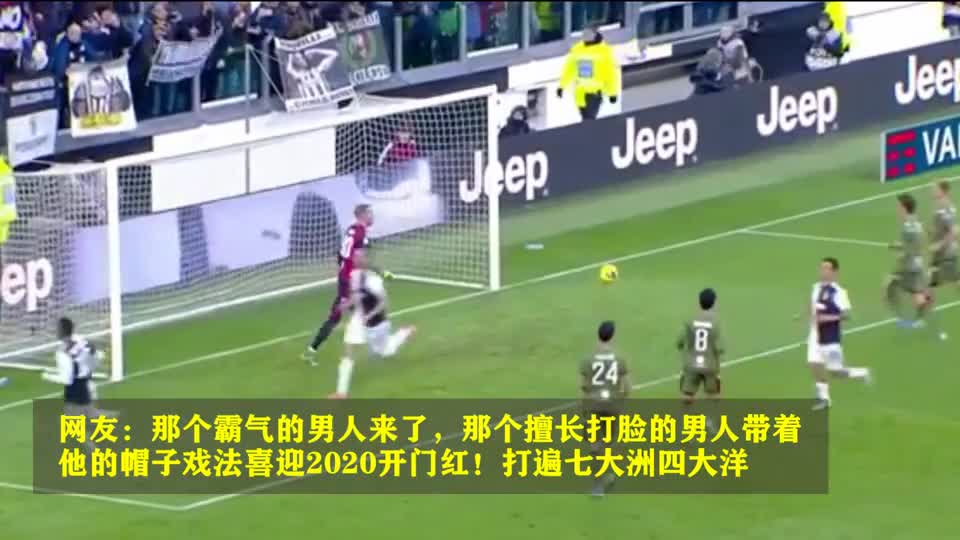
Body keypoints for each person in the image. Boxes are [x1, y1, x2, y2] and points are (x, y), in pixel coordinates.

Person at [330, 248, 416, 399]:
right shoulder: (354, 276)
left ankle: (404, 333)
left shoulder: (374, 281)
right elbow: (356, 297)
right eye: (355, 257)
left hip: (377, 323)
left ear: (366, 260)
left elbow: (384, 303)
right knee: (348, 350)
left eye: (360, 257)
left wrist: (369, 315)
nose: (356, 260)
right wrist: (345, 305)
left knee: (386, 351)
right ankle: (341, 393)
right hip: (359, 318)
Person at [303, 204, 373, 364]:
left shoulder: (352, 230)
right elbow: (359, 258)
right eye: (370, 213)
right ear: (362, 215)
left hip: (346, 277)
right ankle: (312, 351)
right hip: (350, 279)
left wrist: (344, 269)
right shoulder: (360, 233)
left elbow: (341, 255)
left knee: (358, 310)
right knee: (345, 313)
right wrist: (370, 271)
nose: (372, 216)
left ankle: (312, 350)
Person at [806, 257, 871, 410]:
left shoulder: (839, 292)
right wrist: (805, 316)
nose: (823, 271)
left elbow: (847, 315)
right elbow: (812, 305)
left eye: (827, 268)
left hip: (830, 337)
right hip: (815, 334)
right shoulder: (816, 287)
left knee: (836, 372)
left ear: (834, 272)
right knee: (814, 364)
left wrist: (828, 318)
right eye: (821, 268)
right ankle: (824, 399)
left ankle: (862, 372)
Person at [579, 320, 628, 497]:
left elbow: (584, 386)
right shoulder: (619, 359)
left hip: (593, 405)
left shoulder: (588, 359)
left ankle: (597, 486)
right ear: (612, 337)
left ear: (598, 336)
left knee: (594, 445)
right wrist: (621, 402)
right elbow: (626, 387)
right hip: (612, 405)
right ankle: (609, 473)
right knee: (608, 442)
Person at [887, 194, 944, 338]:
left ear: (904, 207)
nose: (897, 208)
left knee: (892, 287)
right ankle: (922, 314)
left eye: (899, 205)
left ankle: (918, 317)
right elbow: (919, 241)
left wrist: (898, 249)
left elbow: (909, 247)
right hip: (916, 263)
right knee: (915, 293)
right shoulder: (916, 222)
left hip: (909, 265)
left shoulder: (907, 226)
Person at [676, 288, 723, 426]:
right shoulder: (715, 323)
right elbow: (720, 348)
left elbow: (679, 343)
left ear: (699, 302)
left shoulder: (690, 321)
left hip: (691, 364)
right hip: (710, 365)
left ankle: (686, 424)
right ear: (714, 303)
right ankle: (710, 422)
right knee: (713, 394)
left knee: (687, 395)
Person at [557, 23, 619, 122]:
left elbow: (610, 74)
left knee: (588, 120)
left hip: (594, 94)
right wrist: (562, 86)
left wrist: (612, 93)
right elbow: (569, 69)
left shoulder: (604, 51)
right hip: (580, 94)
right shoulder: (577, 49)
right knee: (586, 120)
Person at [929, 181, 958, 294]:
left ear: (942, 191)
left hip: (946, 250)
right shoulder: (941, 206)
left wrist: (939, 244)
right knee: (933, 279)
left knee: (955, 279)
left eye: (935, 189)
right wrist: (932, 232)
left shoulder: (945, 208)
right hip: (940, 251)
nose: (933, 191)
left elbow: (953, 230)